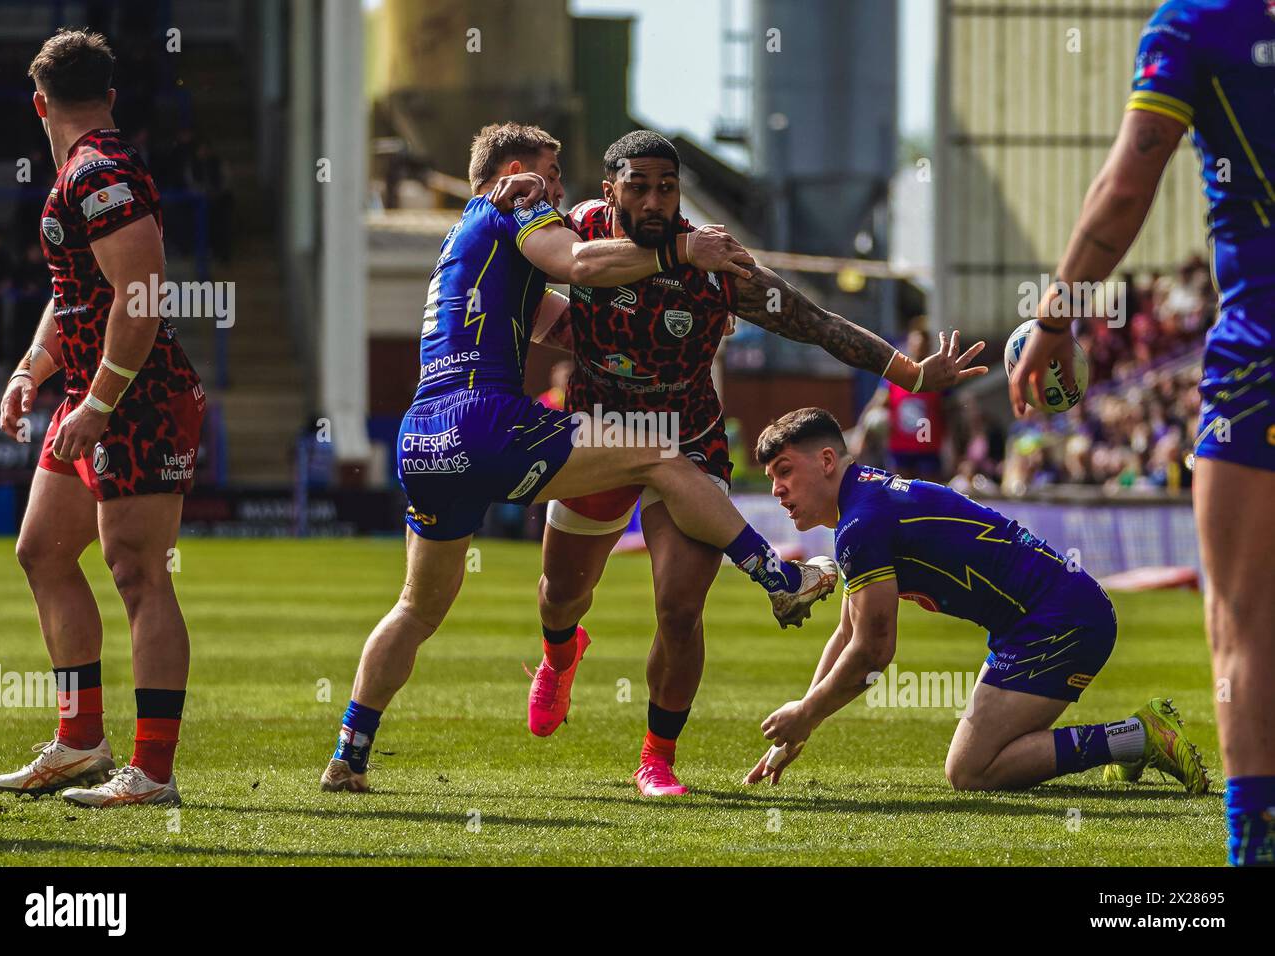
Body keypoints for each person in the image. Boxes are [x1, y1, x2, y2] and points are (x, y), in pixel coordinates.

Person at [319, 123, 839, 792]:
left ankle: (348, 755)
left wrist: (638, 324)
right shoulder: (516, 206)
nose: (558, 195)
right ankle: (778, 578)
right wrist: (682, 253)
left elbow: (548, 315)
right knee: (661, 456)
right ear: (513, 171)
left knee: (417, 609)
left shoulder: (462, 237)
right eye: (550, 177)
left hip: (423, 436)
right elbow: (584, 264)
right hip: (485, 422)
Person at [525, 130, 988, 796]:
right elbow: (515, 290)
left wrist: (910, 373)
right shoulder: (576, 239)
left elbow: (814, 321)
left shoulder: (713, 263)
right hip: (600, 436)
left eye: (667, 187)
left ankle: (657, 758)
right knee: (561, 594)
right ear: (609, 192)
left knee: (680, 609)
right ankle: (559, 656)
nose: (655, 200)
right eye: (638, 187)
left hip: (687, 444)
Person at [1006, 0, 1275, 865]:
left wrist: (1056, 315)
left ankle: (1253, 846)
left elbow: (1125, 189)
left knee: (1244, 618)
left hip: (1261, 351)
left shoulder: (1198, 21)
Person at [743, 408, 1208, 797]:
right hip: (1041, 619)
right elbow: (847, 632)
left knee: (971, 772)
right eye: (771, 478)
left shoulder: (860, 524)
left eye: (784, 470)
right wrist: (801, 723)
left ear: (826, 460)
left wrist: (806, 714)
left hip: (1060, 621)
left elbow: (872, 652)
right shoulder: (862, 504)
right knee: (974, 763)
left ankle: (1137, 737)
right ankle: (1129, 744)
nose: (776, 490)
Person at [0, 29, 205, 808]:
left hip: (135, 397)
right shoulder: (88, 170)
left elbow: (139, 294)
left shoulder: (102, 170)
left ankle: (151, 772)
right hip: (92, 391)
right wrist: (32, 368)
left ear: (38, 101)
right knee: (43, 552)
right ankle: (81, 744)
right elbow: (75, 288)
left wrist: (100, 400)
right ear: (107, 98)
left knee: (137, 572)